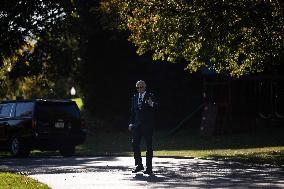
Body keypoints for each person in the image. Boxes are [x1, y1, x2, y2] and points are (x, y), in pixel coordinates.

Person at [129, 80, 158, 175]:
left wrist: (152, 104)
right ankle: (139, 165)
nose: (139, 89)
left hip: (147, 125)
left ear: (145, 87)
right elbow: (133, 112)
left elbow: (157, 107)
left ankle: (149, 168)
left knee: (149, 146)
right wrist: (131, 123)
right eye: (138, 87)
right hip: (137, 125)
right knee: (135, 144)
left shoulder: (150, 95)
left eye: (141, 87)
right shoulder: (135, 97)